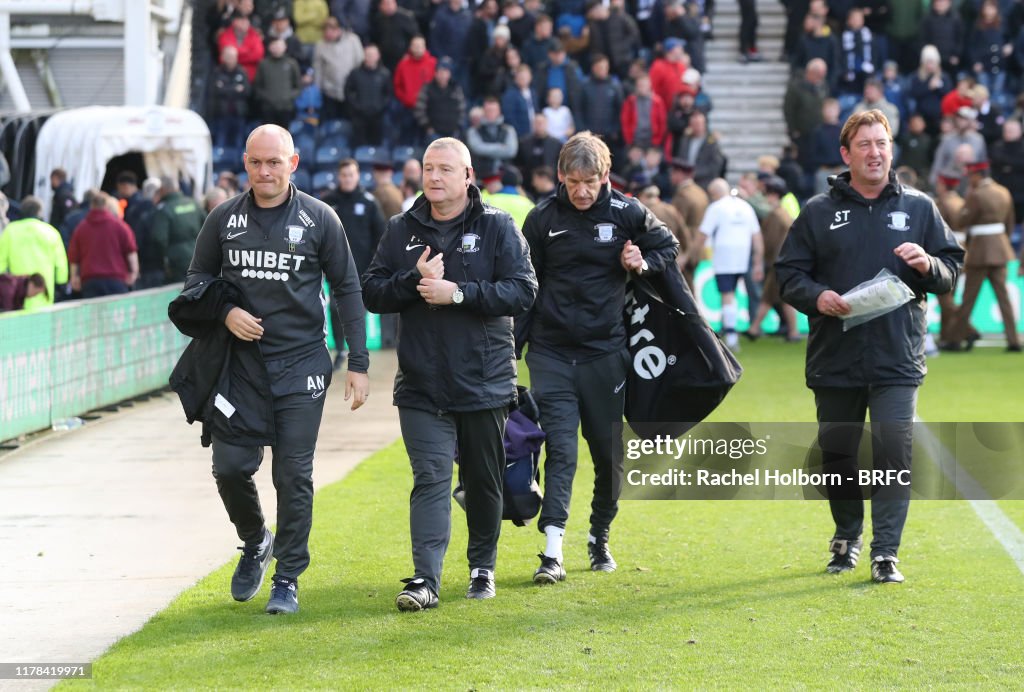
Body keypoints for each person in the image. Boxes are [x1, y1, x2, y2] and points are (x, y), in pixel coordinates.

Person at [174, 124, 370, 616]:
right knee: (230, 467)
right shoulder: (222, 219)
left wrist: (359, 363)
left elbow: (347, 288)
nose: (266, 171)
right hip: (239, 369)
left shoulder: (320, 218)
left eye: (275, 162)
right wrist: (223, 313)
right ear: (245, 163)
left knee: (292, 474)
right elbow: (196, 279)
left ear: (294, 163)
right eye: (257, 162)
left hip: (302, 363)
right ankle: (255, 539)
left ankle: (287, 578)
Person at [775, 109, 964, 584]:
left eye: (882, 143)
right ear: (846, 154)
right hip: (834, 356)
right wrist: (816, 296)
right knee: (838, 453)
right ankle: (847, 536)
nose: (875, 152)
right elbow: (788, 274)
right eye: (864, 145)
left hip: (896, 356)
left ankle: (885, 552)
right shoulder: (817, 211)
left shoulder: (920, 208)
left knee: (893, 452)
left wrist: (928, 265)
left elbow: (950, 271)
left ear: (891, 149)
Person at [361, 137, 537, 610]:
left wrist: (458, 293)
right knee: (431, 477)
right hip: (420, 383)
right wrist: (412, 282)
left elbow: (523, 291)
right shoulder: (401, 228)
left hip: (484, 379)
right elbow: (372, 292)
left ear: (467, 175)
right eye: (428, 168)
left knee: (483, 479)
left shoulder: (498, 226)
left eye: (445, 169)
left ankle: (482, 566)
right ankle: (425, 580)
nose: (434, 177)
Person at [517, 132, 678, 584]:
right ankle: (552, 551)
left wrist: (641, 261)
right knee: (561, 451)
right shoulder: (542, 218)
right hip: (550, 353)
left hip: (606, 354)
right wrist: (510, 352)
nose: (583, 191)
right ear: (560, 178)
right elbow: (526, 288)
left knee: (609, 457)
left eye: (591, 181)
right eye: (573, 182)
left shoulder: (628, 212)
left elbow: (669, 248)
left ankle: (599, 534)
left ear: (605, 175)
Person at [946, 159, 1020, 352]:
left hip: (980, 252)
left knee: (968, 298)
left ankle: (955, 339)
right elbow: (1010, 222)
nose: (969, 179)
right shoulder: (1004, 192)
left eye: (971, 176)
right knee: (1003, 298)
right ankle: (1014, 341)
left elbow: (962, 220)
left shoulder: (976, 194)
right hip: (1000, 248)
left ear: (977, 175)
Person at [698, 178, 763, 352]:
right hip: (744, 257)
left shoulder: (716, 208)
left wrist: (690, 255)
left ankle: (732, 337)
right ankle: (747, 329)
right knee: (745, 293)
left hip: (724, 257)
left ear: (714, 194)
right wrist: (758, 262)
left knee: (727, 295)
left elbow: (703, 234)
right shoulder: (745, 206)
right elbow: (757, 236)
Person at [67, 190, 139, 297]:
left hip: (90, 281)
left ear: (91, 206)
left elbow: (74, 257)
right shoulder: (120, 226)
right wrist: (134, 272)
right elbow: (131, 251)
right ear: (106, 205)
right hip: (116, 280)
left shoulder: (81, 228)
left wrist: (74, 277)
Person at [151, 176, 205, 284]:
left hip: (177, 261)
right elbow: (209, 225)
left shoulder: (164, 209)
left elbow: (159, 238)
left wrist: (165, 256)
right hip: (199, 255)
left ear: (162, 190)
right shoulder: (193, 203)